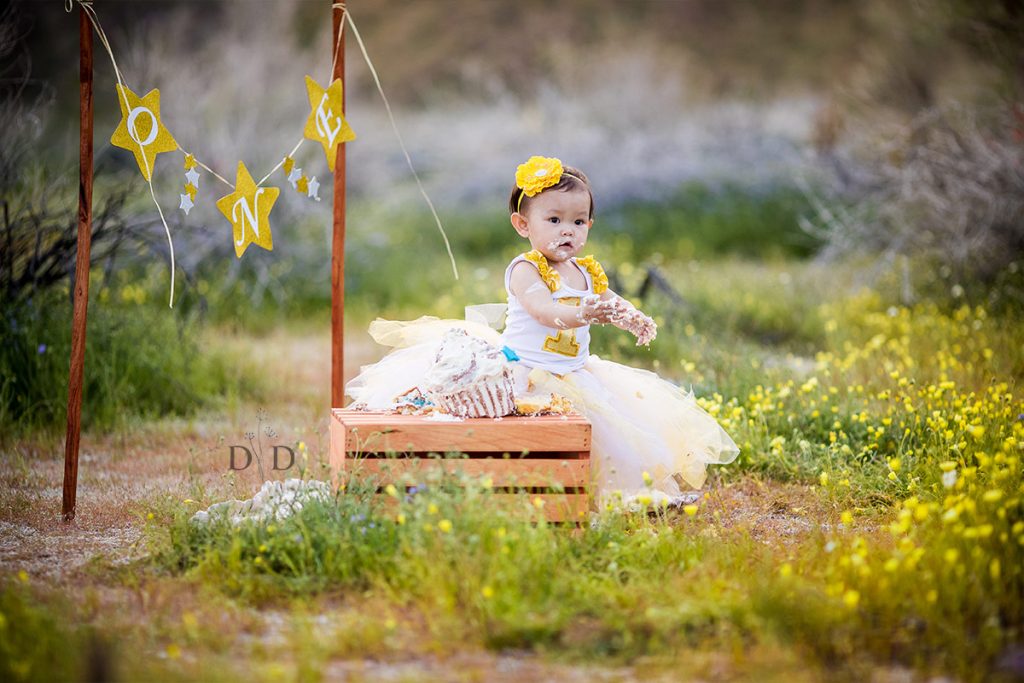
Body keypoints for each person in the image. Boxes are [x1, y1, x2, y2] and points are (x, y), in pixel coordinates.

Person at [346, 156, 739, 508]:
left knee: (607, 434)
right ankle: (514, 484)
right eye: (554, 220)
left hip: (577, 373)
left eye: (578, 221)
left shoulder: (587, 271)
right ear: (523, 225)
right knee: (526, 422)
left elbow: (611, 299)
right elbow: (545, 310)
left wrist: (631, 316)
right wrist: (583, 311)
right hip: (526, 371)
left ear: (589, 224)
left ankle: (599, 491)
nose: (567, 230)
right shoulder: (526, 269)